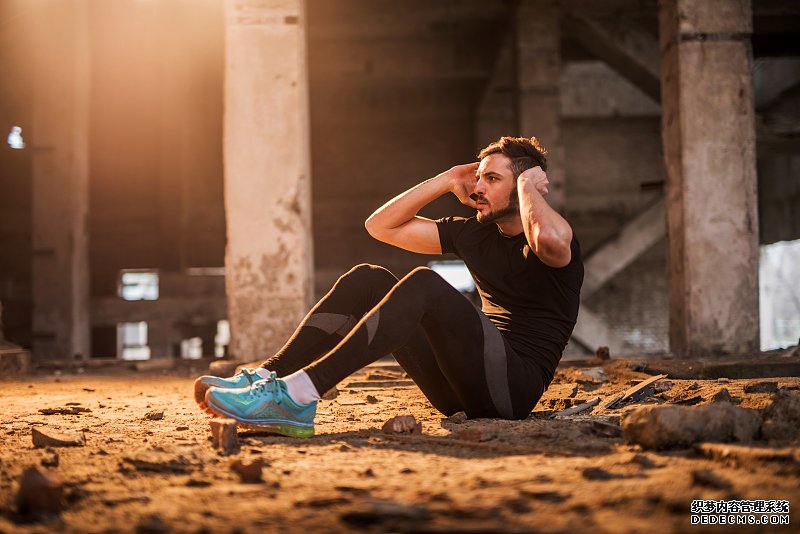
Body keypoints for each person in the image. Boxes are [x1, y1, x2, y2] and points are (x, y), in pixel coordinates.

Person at [194, 136, 583, 437]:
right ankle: (268, 377)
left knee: (425, 283)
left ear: (520, 188)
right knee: (369, 278)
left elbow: (547, 242)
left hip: (510, 392)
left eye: (491, 178)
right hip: (460, 389)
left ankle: (298, 395)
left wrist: (529, 188)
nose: (478, 187)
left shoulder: (555, 235)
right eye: (479, 177)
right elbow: (381, 227)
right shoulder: (474, 234)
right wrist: (447, 179)